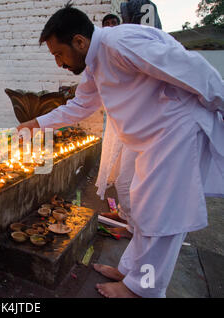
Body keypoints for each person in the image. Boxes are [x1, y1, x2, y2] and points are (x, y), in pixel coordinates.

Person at [17, 3, 224, 298]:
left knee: (162, 218)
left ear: (79, 41)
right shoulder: (94, 63)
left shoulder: (119, 43)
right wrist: (35, 123)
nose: (59, 64)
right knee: (138, 207)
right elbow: (81, 106)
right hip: (152, 140)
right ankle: (130, 272)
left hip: (176, 133)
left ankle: (145, 289)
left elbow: (194, 69)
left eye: (59, 54)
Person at [96, 12, 137, 240]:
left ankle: (133, 226)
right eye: (107, 25)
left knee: (126, 180)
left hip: (136, 125)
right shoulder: (103, 56)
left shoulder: (128, 49)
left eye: (114, 24)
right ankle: (122, 214)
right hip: (117, 123)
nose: (110, 28)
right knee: (117, 168)